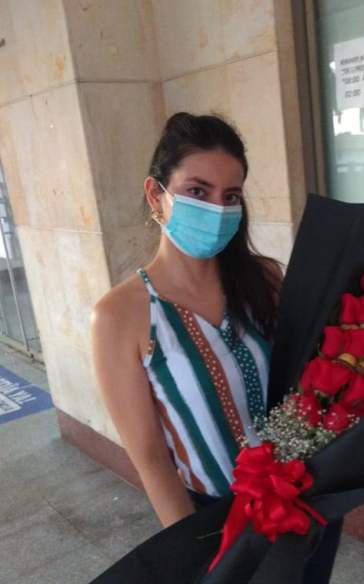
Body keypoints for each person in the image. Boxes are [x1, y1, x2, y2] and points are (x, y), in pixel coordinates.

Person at [90, 112, 342, 583]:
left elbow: (307, 383)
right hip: (215, 522)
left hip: (304, 501)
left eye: (231, 196)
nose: (217, 209)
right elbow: (150, 457)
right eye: (197, 191)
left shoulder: (265, 279)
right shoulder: (119, 316)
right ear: (156, 195)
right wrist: (201, 557)